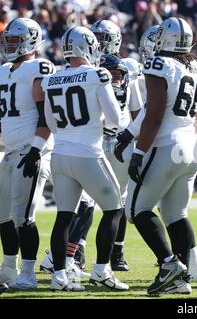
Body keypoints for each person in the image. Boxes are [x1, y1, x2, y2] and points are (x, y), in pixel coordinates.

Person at [116, 24, 197, 284]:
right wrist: (129, 133)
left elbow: (155, 115)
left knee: (136, 209)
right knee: (175, 213)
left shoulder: (160, 64)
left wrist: (139, 151)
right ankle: (186, 275)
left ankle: (169, 265)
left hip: (166, 145)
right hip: (189, 145)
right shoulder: (195, 66)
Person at [41, 26, 128, 291]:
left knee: (64, 217)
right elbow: (114, 119)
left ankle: (58, 277)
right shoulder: (97, 74)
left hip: (60, 153)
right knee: (114, 208)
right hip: (89, 152)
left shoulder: (53, 78)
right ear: (88, 46)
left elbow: (50, 122)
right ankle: (101, 270)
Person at [0, 18, 55, 289]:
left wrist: (36, 149)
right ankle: (9, 269)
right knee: (3, 215)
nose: (10, 45)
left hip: (30, 151)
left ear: (32, 40)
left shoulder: (38, 67)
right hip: (9, 151)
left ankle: (29, 274)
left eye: (15, 40)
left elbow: (46, 116)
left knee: (23, 217)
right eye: (7, 40)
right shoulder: (3, 71)